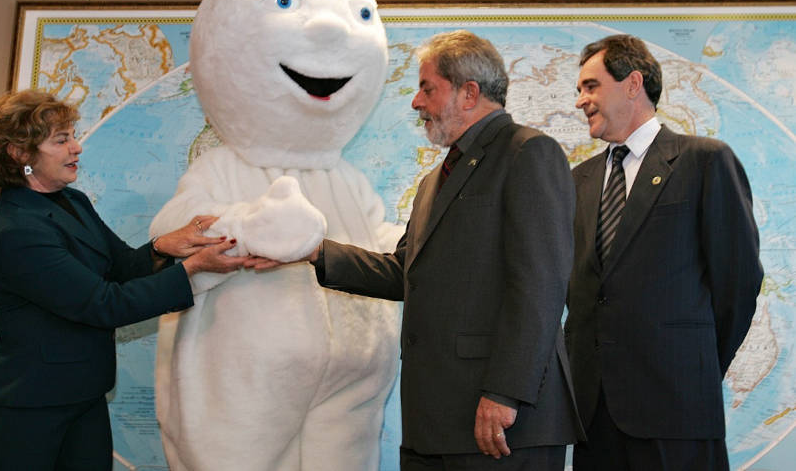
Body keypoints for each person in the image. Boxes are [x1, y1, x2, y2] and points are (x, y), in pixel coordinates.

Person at [252, 30, 584, 470]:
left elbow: (540, 285)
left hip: (503, 422)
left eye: (428, 89)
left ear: (469, 93)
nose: (416, 102)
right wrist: (312, 251)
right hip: (436, 421)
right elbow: (404, 272)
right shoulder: (434, 182)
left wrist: (504, 393)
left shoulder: (528, 152)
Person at [0, 89, 246, 471]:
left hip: (83, 393)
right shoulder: (18, 229)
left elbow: (122, 267)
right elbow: (104, 304)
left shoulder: (72, 202)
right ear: (20, 155)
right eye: (61, 140)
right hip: (32, 406)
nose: (76, 148)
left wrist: (164, 247)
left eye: (72, 135)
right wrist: (192, 269)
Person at [566, 34, 763, 470]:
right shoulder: (576, 181)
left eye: (591, 86)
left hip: (677, 412)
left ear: (633, 83)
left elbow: (739, 284)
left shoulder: (705, 162)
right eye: (579, 90)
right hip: (594, 419)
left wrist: (694, 369)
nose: (580, 101)